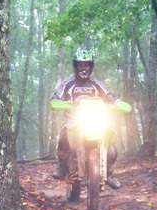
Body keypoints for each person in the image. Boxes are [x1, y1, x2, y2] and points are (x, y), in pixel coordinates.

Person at [50, 48, 131, 189]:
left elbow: (110, 96)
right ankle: (63, 167)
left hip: (95, 118)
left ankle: (109, 173)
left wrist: (118, 103)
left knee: (110, 145)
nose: (83, 68)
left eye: (86, 65)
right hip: (74, 120)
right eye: (80, 65)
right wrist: (60, 103)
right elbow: (55, 98)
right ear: (76, 66)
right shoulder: (67, 83)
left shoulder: (96, 84)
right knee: (64, 137)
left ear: (90, 67)